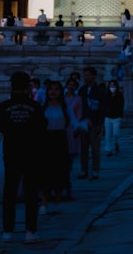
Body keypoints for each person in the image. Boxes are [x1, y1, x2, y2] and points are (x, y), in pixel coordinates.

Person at [0, 71, 44, 243]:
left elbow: (0, 126)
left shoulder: (4, 106)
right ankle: (30, 230)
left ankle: (7, 230)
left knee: (10, 191)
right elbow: (41, 126)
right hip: (31, 152)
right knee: (31, 192)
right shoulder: (35, 106)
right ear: (27, 86)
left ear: (11, 85)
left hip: (11, 151)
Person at [39, 81, 84, 215]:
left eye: (56, 89)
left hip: (60, 139)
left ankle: (58, 201)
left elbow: (74, 123)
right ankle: (44, 202)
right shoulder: (42, 107)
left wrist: (84, 125)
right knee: (44, 172)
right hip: (45, 140)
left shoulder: (65, 108)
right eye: (51, 89)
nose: (53, 92)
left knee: (60, 172)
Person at [77, 66, 105, 180]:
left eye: (88, 75)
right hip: (83, 122)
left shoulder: (99, 90)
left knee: (95, 148)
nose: (86, 77)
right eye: (85, 75)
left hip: (95, 122)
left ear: (94, 76)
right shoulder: (82, 90)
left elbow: (102, 107)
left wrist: (100, 122)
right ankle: (84, 170)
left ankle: (95, 169)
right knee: (83, 149)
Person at [103, 79, 124, 156]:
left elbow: (121, 106)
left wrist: (121, 115)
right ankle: (108, 148)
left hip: (116, 117)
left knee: (116, 133)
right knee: (107, 134)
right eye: (111, 86)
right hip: (108, 117)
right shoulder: (106, 95)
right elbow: (104, 106)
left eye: (114, 86)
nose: (112, 87)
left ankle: (116, 142)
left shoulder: (119, 96)